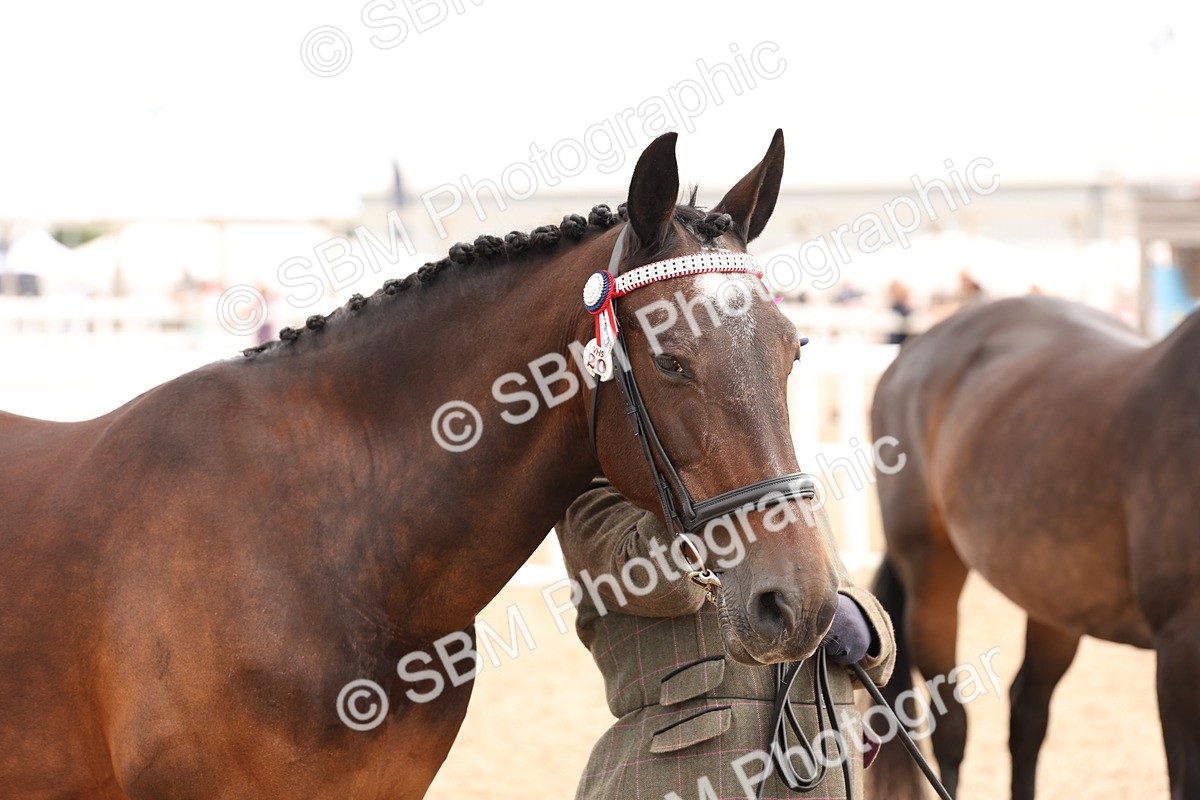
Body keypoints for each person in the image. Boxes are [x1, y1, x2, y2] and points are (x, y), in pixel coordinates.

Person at [556, 477, 896, 799]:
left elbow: (875, 658)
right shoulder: (589, 496)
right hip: (698, 773)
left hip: (823, 768)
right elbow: (671, 587)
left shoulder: (785, 486)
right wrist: (704, 474)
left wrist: (863, 620)